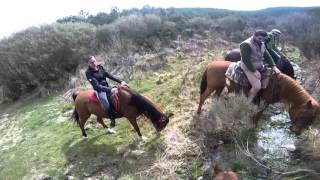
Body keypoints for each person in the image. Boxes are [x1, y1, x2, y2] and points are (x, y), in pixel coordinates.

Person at [84, 55, 127, 134]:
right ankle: (112, 120)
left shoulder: (100, 67)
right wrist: (111, 89)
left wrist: (120, 81)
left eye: (94, 61)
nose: (94, 63)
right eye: (91, 62)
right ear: (88, 64)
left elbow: (109, 75)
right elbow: (97, 86)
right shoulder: (88, 73)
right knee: (106, 103)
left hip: (107, 86)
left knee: (122, 93)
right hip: (100, 91)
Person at [239, 30, 281, 102]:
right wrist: (254, 71)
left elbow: (266, 55)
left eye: (263, 39)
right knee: (257, 87)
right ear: (254, 36)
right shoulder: (246, 44)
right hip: (247, 66)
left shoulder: (262, 43)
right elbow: (246, 60)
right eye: (259, 38)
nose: (261, 40)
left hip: (259, 65)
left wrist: (274, 66)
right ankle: (247, 103)